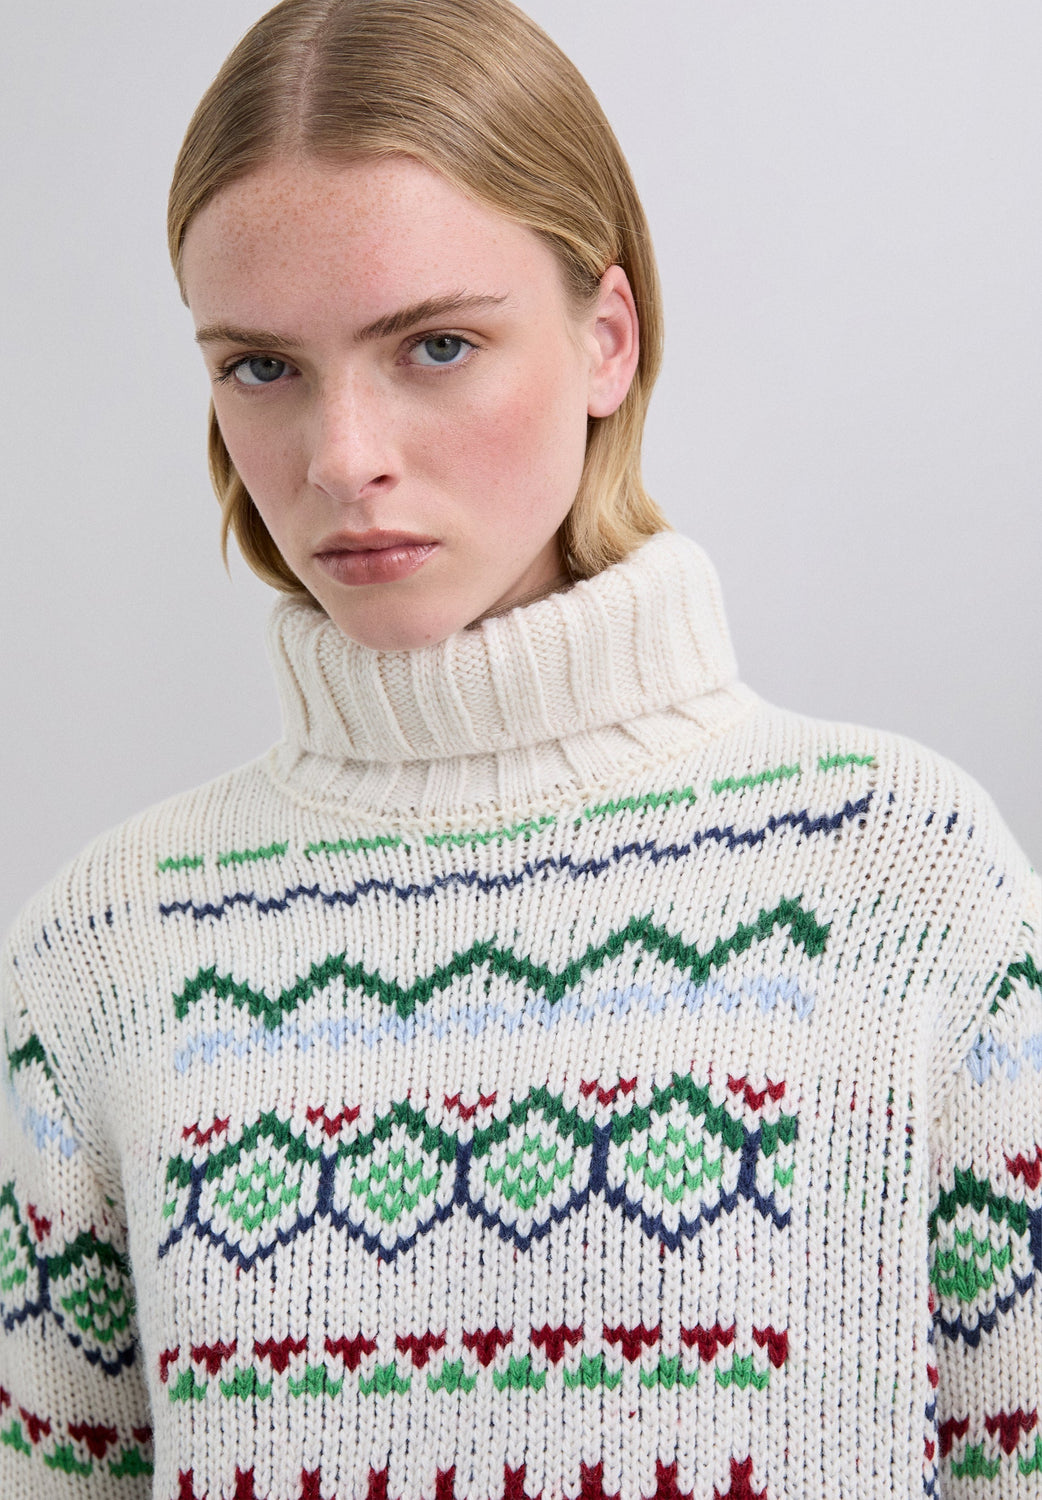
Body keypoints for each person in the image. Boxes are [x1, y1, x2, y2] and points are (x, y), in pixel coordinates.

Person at [1, 0, 1038, 1495]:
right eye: (260, 367)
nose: (342, 457)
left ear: (608, 337)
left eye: (435, 344)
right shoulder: (100, 956)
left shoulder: (907, 882)